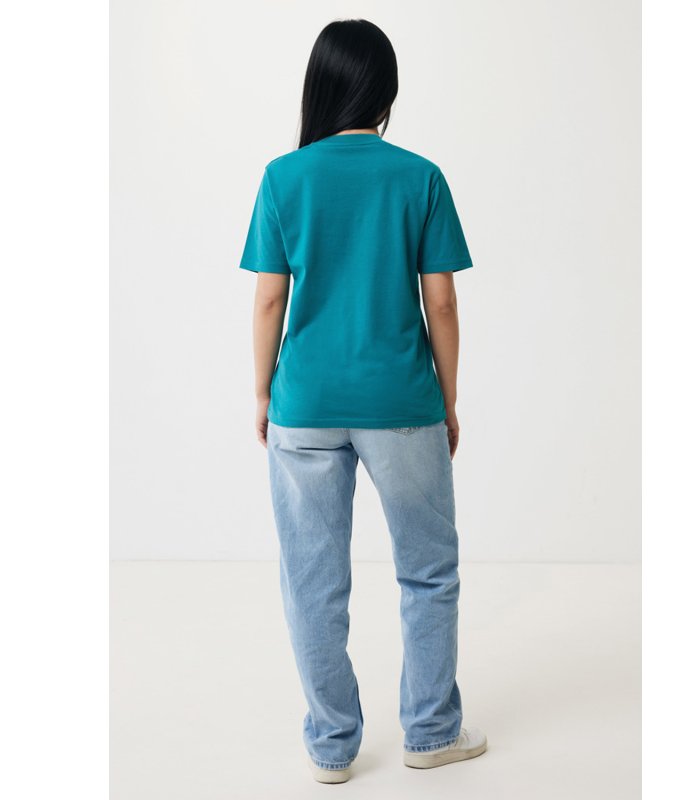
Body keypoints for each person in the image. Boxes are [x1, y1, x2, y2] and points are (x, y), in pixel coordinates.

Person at [239, 18, 487, 784]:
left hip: (305, 403)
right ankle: (431, 732)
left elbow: (270, 301)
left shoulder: (284, 178)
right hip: (402, 402)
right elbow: (441, 303)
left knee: (312, 581)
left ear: (319, 86)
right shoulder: (420, 177)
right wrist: (447, 399)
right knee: (428, 572)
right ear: (386, 91)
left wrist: (264, 392)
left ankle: (332, 746)